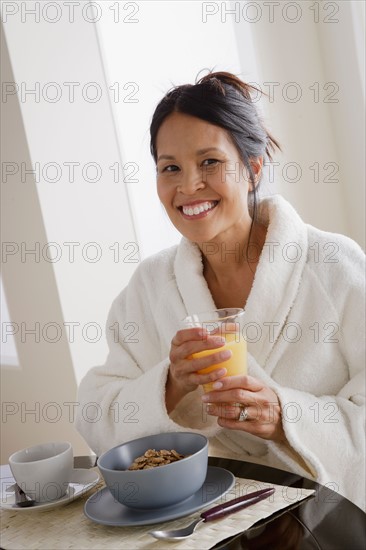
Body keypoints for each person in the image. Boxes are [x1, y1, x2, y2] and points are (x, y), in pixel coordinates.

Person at [76, 71, 365, 510]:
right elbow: (96, 415)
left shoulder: (334, 266)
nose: (188, 186)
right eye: (170, 167)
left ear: (252, 169)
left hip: (326, 514)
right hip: (205, 513)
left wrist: (285, 418)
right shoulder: (151, 286)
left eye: (209, 162)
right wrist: (169, 385)